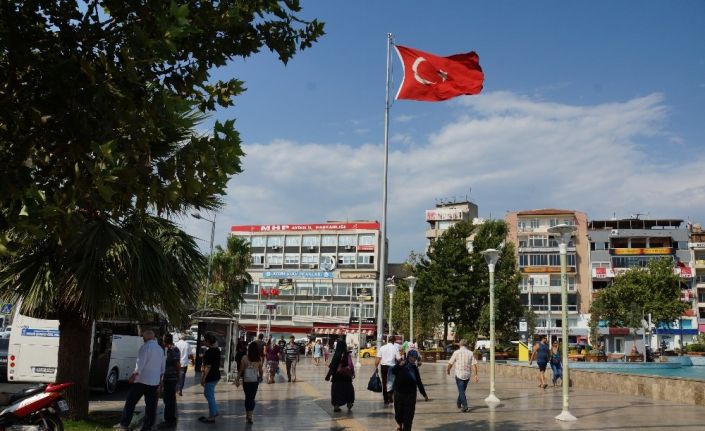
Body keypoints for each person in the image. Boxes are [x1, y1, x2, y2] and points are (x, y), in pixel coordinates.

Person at [114, 330, 165, 431]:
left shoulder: (145, 347)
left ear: (145, 338)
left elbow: (139, 366)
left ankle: (124, 424)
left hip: (142, 381)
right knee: (151, 406)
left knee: (130, 402)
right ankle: (147, 426)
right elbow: (162, 368)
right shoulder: (160, 349)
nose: (142, 339)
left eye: (143, 337)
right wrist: (160, 382)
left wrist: (133, 377)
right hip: (154, 382)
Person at [392, 350, 428, 431]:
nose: (413, 359)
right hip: (399, 393)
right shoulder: (402, 364)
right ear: (408, 356)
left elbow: (418, 381)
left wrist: (424, 394)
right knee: (398, 414)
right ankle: (399, 424)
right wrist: (398, 365)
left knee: (409, 416)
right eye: (412, 357)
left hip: (410, 395)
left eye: (415, 357)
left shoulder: (414, 368)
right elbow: (393, 371)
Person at [235, 341, 263, 424]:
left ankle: (247, 415)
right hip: (254, 381)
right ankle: (250, 416)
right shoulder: (259, 359)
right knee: (252, 398)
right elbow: (261, 370)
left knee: (247, 397)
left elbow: (241, 369)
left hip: (246, 380)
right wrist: (261, 377)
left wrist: (237, 379)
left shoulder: (244, 358)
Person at [446, 339, 478, 413]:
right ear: (467, 345)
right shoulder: (470, 353)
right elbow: (474, 365)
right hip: (467, 374)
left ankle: (465, 405)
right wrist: (475, 375)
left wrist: (448, 370)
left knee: (461, 391)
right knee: (462, 390)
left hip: (459, 374)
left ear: (460, 345)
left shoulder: (456, 352)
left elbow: (451, 362)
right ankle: (458, 402)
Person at [324, 339, 355, 412]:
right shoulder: (347, 354)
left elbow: (333, 366)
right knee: (348, 390)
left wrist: (328, 376)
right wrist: (352, 373)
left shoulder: (337, 354)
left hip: (337, 376)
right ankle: (349, 403)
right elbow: (351, 365)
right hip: (346, 376)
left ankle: (336, 406)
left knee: (336, 391)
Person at [158, 334, 180, 429]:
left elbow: (177, 364)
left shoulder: (172, 350)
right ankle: (171, 419)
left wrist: (178, 376)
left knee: (169, 399)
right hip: (169, 377)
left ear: (164, 341)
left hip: (170, 378)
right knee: (169, 399)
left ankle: (169, 420)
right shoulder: (170, 349)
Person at [199, 333, 220, 424]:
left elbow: (208, 367)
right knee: (209, 394)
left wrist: (203, 378)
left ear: (208, 342)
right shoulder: (216, 350)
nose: (203, 342)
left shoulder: (209, 352)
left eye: (205, 340)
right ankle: (214, 411)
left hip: (211, 376)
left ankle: (213, 415)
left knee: (208, 394)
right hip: (216, 375)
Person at [375, 336, 401, 406]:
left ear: (388, 340)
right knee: (392, 382)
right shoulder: (395, 348)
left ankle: (385, 399)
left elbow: (378, 358)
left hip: (383, 367)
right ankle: (390, 396)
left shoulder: (382, 347)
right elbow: (399, 359)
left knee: (384, 382)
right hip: (392, 367)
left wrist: (376, 367)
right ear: (394, 341)